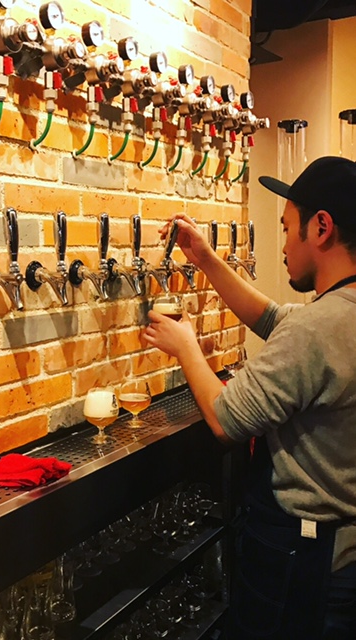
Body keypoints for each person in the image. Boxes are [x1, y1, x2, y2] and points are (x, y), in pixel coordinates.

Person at [143, 156, 356, 640]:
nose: (283, 245)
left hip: (303, 562)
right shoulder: (337, 313)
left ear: (321, 228)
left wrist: (185, 347)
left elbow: (226, 420)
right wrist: (205, 258)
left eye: (287, 228)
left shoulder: (317, 328)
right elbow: (273, 318)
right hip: (340, 561)